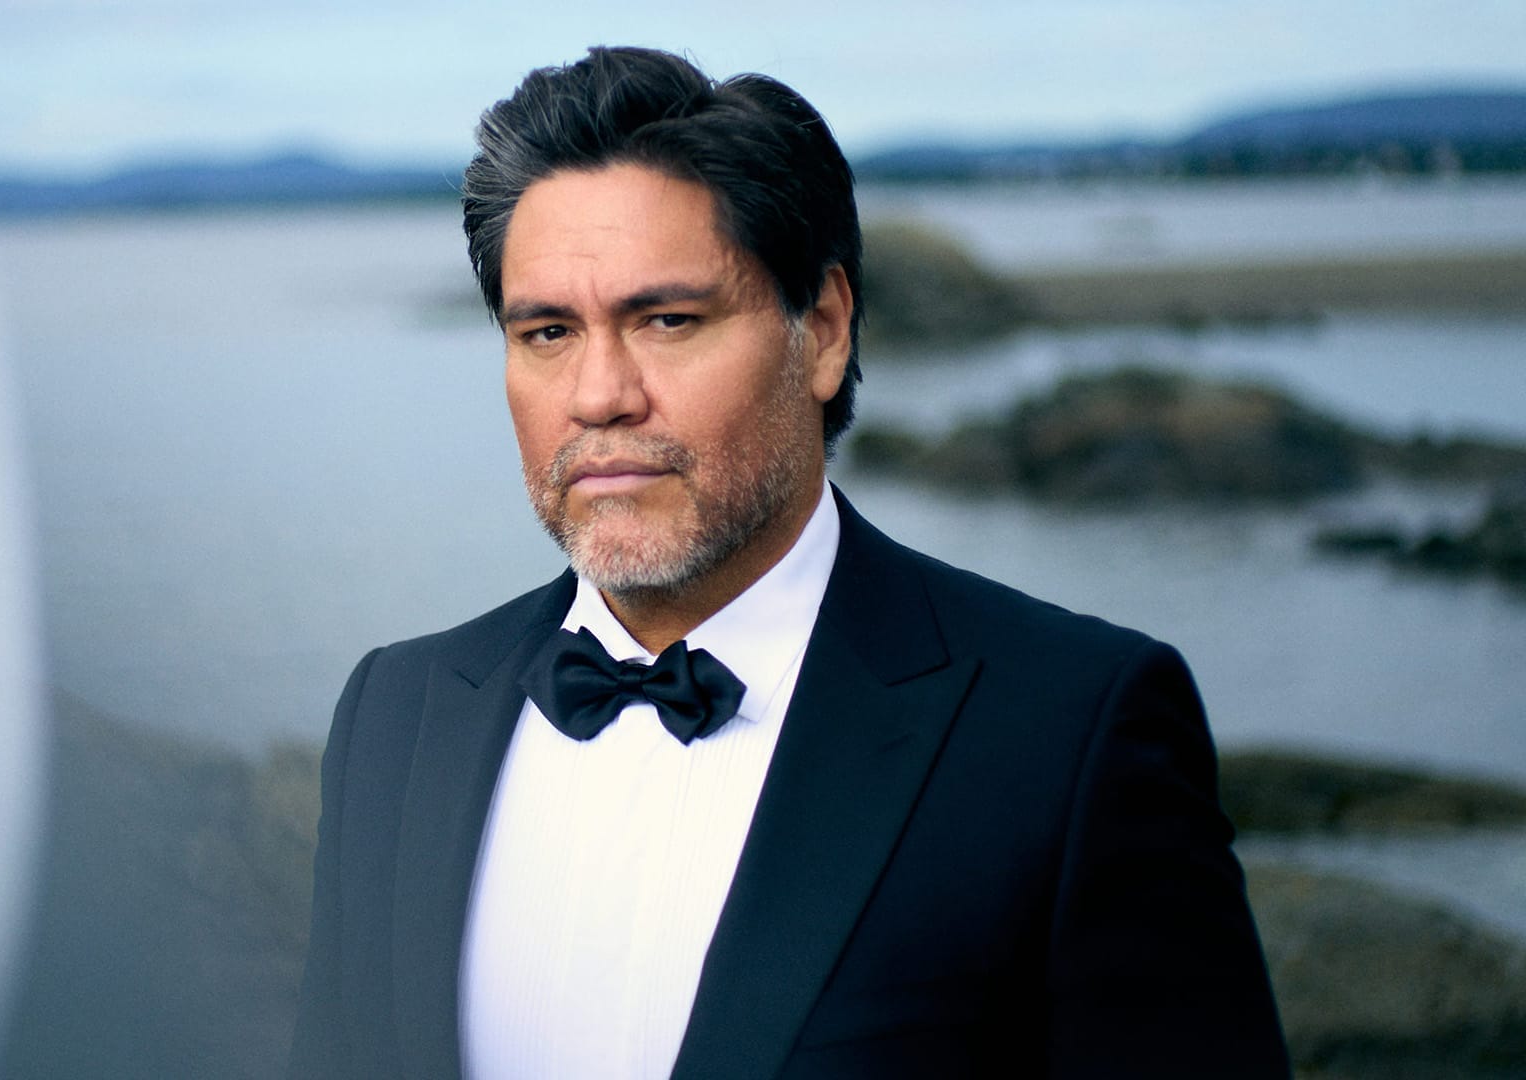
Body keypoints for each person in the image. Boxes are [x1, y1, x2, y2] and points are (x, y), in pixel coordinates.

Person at [290, 46, 1289, 1080]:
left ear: (820, 329)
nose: (598, 395)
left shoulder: (1070, 728)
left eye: (667, 320)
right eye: (546, 331)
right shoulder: (396, 714)